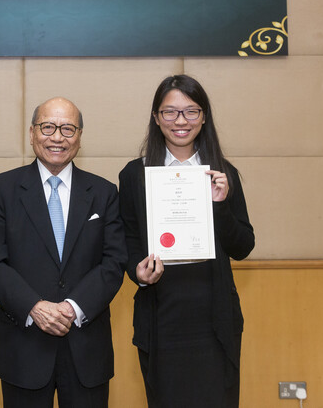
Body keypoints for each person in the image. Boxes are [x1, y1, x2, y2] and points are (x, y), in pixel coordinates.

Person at [0, 96, 127, 407]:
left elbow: (114, 262)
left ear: (80, 137)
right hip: (25, 346)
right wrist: (34, 306)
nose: (57, 137)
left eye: (68, 129)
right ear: (31, 133)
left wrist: (73, 306)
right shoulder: (2, 189)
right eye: (48, 127)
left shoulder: (103, 193)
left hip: (86, 348)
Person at [118, 75, 255, 407]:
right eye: (170, 112)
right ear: (156, 117)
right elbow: (128, 241)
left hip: (214, 317)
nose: (181, 121)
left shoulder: (223, 173)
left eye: (191, 111)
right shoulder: (135, 175)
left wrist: (220, 204)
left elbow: (243, 246)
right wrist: (138, 272)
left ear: (204, 116)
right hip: (161, 315)